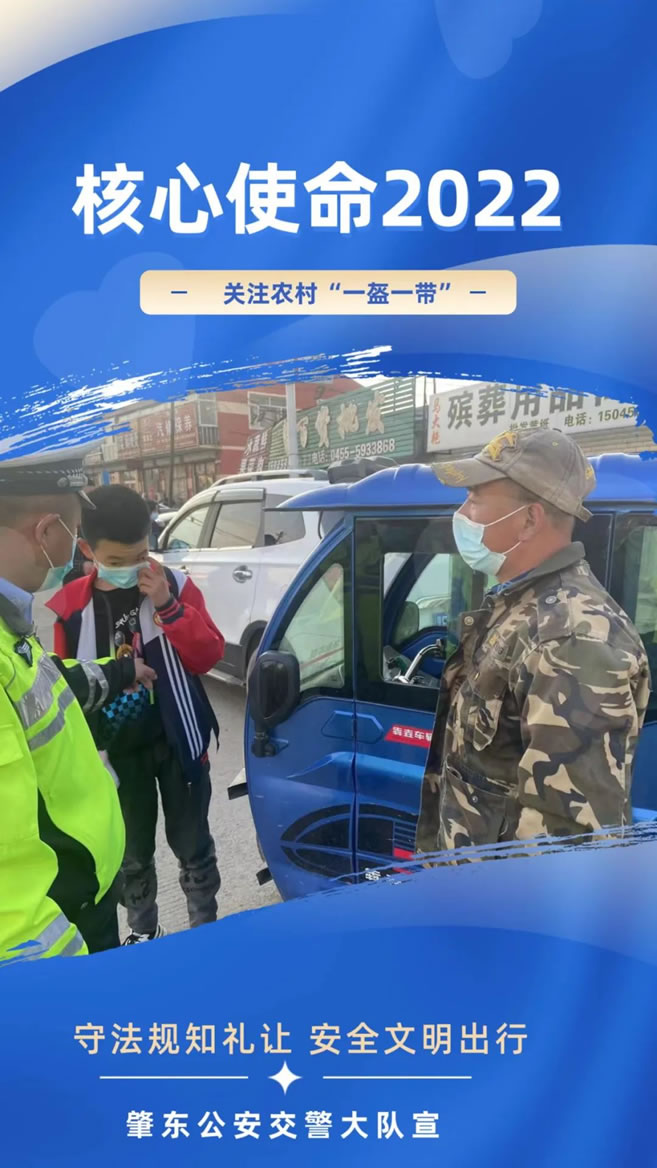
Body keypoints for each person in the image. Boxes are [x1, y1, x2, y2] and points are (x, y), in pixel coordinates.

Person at [415, 427, 651, 859]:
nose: (462, 512)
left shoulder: (572, 637)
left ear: (529, 520)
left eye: (475, 498)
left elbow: (569, 848)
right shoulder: (520, 606)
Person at [48, 485, 225, 943]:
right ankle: (143, 935)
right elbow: (68, 688)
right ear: (88, 550)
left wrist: (168, 605)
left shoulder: (175, 586)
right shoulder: (72, 608)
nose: (132, 568)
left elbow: (208, 655)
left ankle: (205, 933)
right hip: (117, 756)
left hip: (178, 741)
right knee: (131, 857)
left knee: (194, 846)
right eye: (117, 560)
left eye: (141, 556)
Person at [0, 452, 156, 961]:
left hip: (84, 894)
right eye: (73, 528)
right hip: (63, 930)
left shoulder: (9, 622)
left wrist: (120, 671)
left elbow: (46, 683)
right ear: (47, 532)